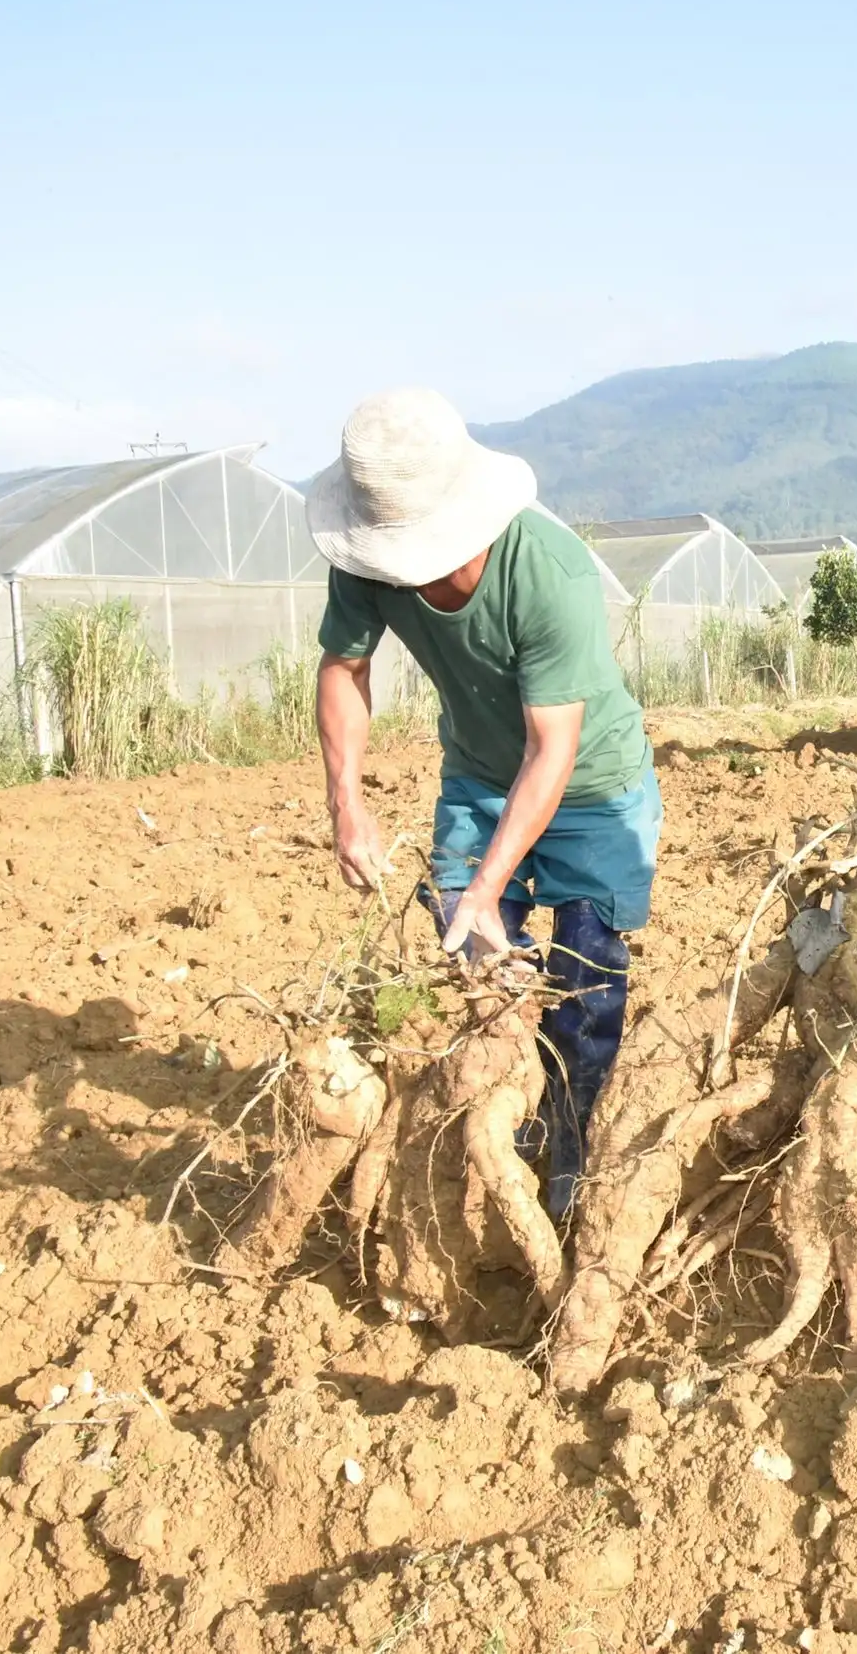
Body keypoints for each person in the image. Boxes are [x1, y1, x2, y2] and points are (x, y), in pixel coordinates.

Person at [309, 386, 660, 1216]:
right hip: (477, 774)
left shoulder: (548, 572)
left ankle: (576, 1138)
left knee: (586, 967)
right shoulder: (365, 565)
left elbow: (553, 749)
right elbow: (343, 670)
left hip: (590, 784)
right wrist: (345, 804)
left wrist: (492, 880)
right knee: (475, 949)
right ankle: (511, 1106)